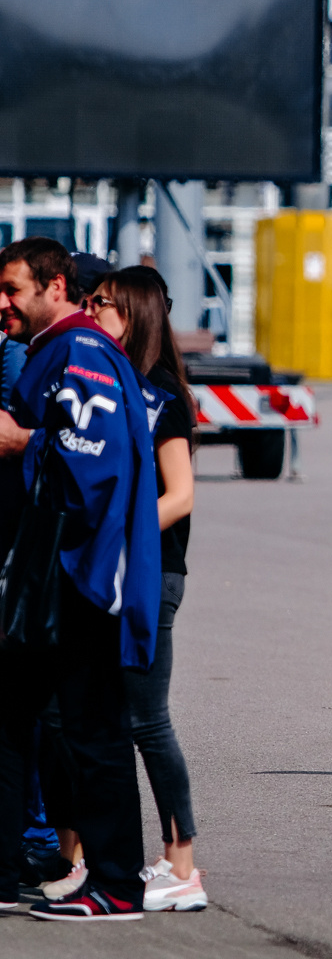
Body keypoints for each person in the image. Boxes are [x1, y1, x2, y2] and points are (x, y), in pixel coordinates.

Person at [0, 238, 163, 920]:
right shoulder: (53, 352)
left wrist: (24, 442)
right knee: (12, 717)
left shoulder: (81, 352)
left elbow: (95, 461)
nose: (2, 303)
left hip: (89, 579)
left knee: (94, 731)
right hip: (46, 580)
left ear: (55, 287)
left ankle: (119, 882)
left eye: (13, 289)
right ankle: (8, 873)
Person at [87, 268, 206, 911]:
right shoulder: (113, 381)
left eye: (100, 303)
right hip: (115, 570)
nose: (92, 310)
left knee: (147, 720)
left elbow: (180, 495)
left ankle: (182, 863)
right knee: (105, 716)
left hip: (150, 573)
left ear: (131, 312)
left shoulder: (162, 393)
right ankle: (94, 856)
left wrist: (116, 529)